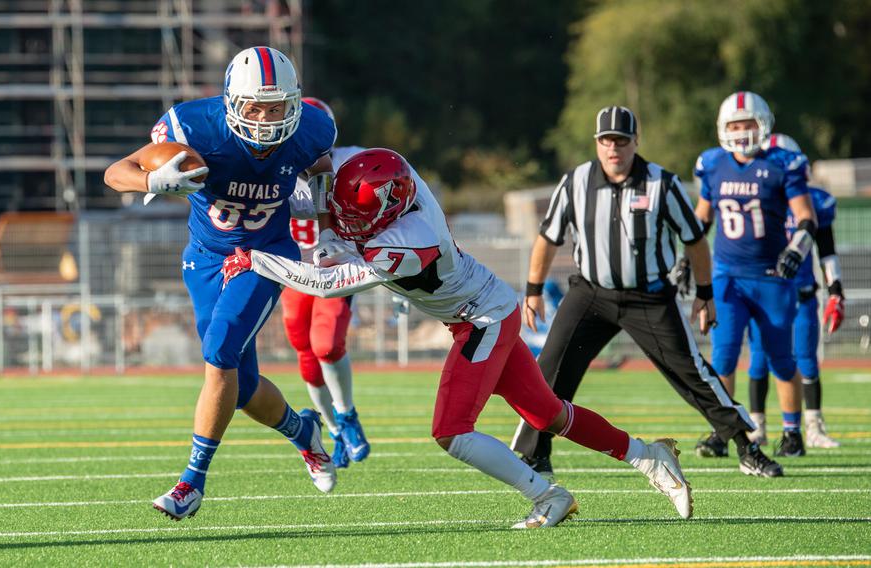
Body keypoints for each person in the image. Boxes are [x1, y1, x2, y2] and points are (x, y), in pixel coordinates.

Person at [222, 148, 694, 528]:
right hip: (485, 307)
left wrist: (257, 261)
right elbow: (340, 192)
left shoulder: (407, 242)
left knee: (451, 431)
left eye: (358, 217)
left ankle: (548, 496)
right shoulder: (398, 185)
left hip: (481, 319)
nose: (349, 224)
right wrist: (318, 174)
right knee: (547, 414)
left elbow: (326, 282)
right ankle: (647, 455)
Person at [104, 46, 340, 520]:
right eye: (255, 107)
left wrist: (324, 219)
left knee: (219, 354)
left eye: (276, 107)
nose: (267, 119)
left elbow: (321, 171)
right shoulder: (195, 128)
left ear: (294, 103)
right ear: (232, 102)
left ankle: (191, 483)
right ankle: (303, 433)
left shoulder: (310, 130)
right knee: (243, 385)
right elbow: (116, 173)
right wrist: (152, 184)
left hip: (266, 256)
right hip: (207, 259)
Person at [510, 106, 782, 480]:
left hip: (649, 296)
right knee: (551, 369)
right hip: (590, 293)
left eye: (621, 141)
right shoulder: (575, 182)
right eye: (606, 141)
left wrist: (705, 293)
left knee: (693, 372)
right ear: (597, 143)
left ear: (636, 142)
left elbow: (695, 240)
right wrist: (533, 290)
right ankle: (534, 454)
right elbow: (547, 237)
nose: (613, 149)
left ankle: (745, 446)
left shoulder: (661, 183)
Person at [693, 92, 818, 460]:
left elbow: (806, 218)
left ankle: (792, 432)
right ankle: (722, 431)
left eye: (747, 123)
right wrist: (689, 260)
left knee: (781, 358)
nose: (741, 131)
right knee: (725, 354)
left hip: (771, 276)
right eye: (734, 124)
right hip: (727, 276)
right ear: (722, 128)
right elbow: (701, 220)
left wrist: (796, 250)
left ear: (762, 124)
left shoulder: (783, 162)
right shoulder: (712, 164)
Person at [284, 97, 370, 468]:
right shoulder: (276, 161)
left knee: (326, 344)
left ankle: (347, 414)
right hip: (292, 270)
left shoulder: (353, 159)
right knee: (305, 354)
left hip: (335, 265)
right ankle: (333, 429)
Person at [745, 133, 845, 450]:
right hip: (765, 295)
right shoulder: (754, 196)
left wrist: (835, 290)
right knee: (759, 361)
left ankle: (812, 427)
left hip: (801, 294)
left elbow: (826, 251)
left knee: (807, 359)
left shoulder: (813, 201)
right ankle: (756, 427)